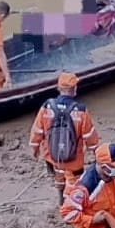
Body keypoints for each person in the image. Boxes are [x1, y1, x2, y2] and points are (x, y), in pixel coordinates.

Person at [28, 72, 101, 206]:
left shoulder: (46, 107)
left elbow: (37, 130)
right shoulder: (81, 111)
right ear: (74, 89)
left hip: (53, 155)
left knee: (59, 175)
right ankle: (71, 206)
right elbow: (90, 137)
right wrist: (97, 153)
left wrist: (34, 148)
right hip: (74, 159)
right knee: (75, 183)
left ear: (58, 88)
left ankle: (61, 198)